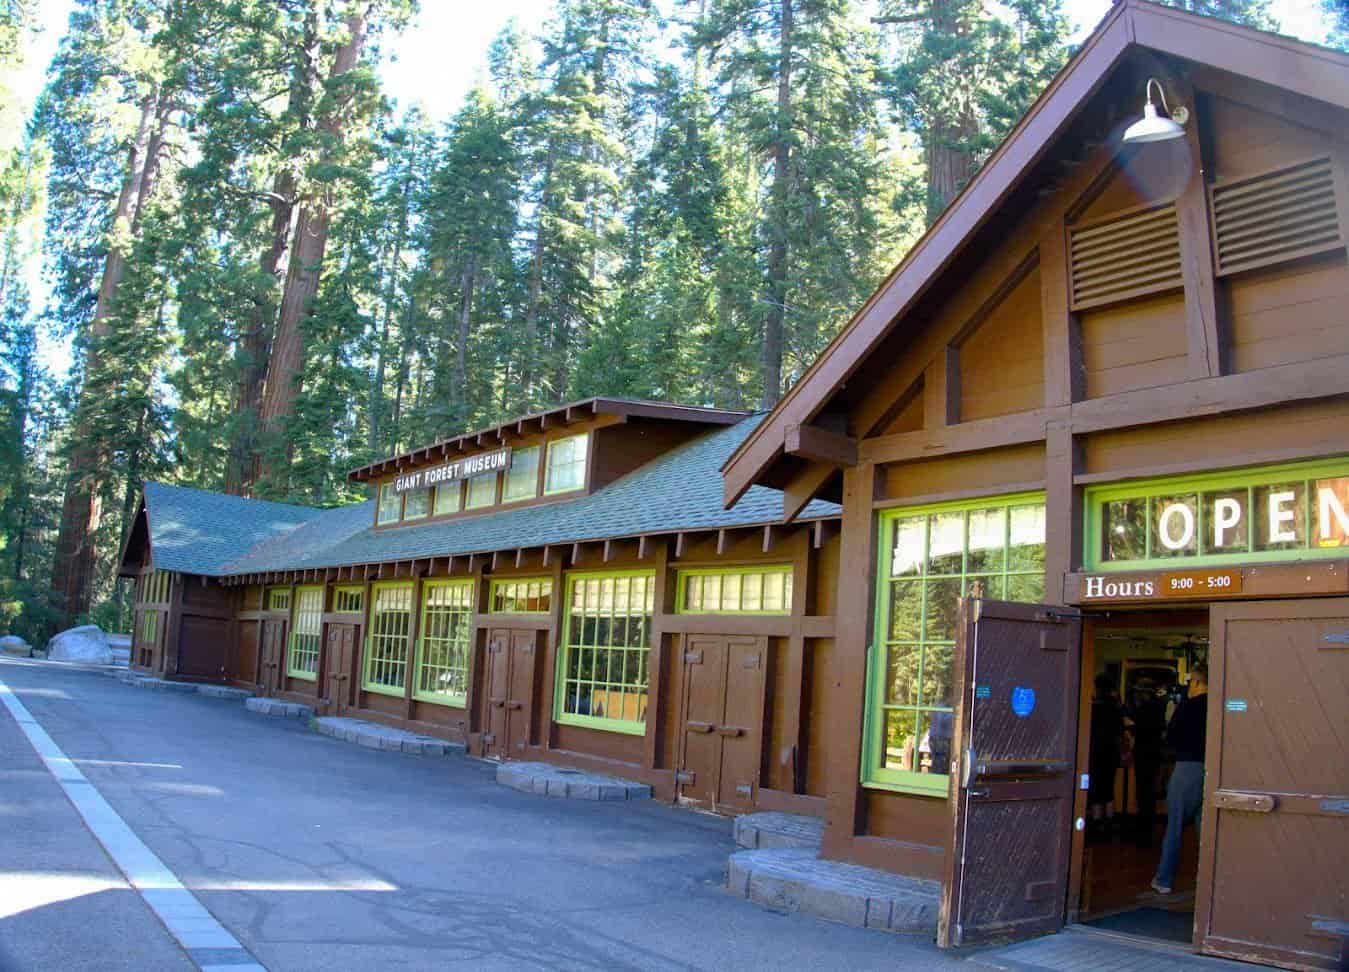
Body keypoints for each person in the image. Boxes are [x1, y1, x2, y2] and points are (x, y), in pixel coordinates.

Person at [1152, 665, 1208, 894]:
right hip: (1212, 770)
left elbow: (1172, 737)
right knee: (1206, 830)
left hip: (1187, 768)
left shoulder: (1188, 706)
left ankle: (1164, 879)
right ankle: (1205, 882)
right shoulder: (1219, 706)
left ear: (1195, 682)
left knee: (1174, 826)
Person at [1128, 677, 1167, 846]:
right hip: (1154, 752)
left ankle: (1143, 830)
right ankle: (1147, 829)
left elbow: (1140, 726)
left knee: (1143, 791)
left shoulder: (1144, 709)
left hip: (1144, 752)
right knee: (1149, 792)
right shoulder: (1159, 706)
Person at [1088, 672, 1125, 841]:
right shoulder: (1116, 708)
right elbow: (1120, 731)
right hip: (1111, 753)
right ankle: (1111, 821)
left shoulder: (1093, 708)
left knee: (1095, 788)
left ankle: (1097, 822)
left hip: (1095, 752)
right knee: (1109, 788)